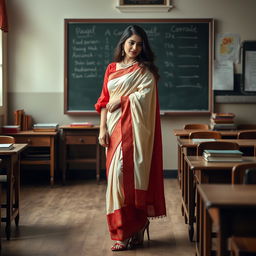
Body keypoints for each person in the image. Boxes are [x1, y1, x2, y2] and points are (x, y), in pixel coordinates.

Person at [95, 25, 166, 251]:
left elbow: (145, 99)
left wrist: (124, 100)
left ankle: (132, 227)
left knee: (128, 177)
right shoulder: (111, 68)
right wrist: (102, 129)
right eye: (131, 43)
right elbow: (104, 101)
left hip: (135, 133)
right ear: (123, 44)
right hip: (114, 131)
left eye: (139, 44)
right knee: (115, 182)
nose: (135, 47)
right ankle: (126, 229)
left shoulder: (145, 71)